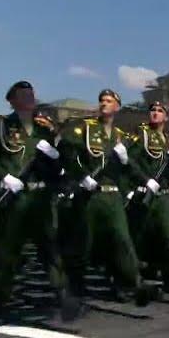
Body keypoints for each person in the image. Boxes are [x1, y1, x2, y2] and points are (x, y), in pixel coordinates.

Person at [57, 89, 154, 320]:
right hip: (91, 195)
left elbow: (129, 166)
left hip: (112, 196)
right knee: (84, 244)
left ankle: (136, 284)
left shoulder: (121, 137)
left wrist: (146, 180)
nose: (103, 104)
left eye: (109, 101)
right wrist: (82, 176)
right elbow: (67, 153)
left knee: (122, 238)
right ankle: (74, 292)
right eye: (101, 100)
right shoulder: (86, 128)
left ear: (117, 106)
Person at [0, 81, 65, 323]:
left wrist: (55, 155)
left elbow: (58, 168)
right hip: (15, 198)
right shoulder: (0, 125)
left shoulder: (44, 129)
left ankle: (65, 297)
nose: (29, 97)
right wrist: (2, 176)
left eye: (31, 94)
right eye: (23, 94)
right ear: (12, 100)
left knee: (51, 249)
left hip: (40, 199)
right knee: (7, 253)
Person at [124, 102, 169, 298]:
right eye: (152, 111)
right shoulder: (141, 136)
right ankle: (130, 279)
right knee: (140, 238)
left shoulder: (168, 141)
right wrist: (143, 182)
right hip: (145, 194)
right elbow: (129, 162)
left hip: (163, 196)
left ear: (166, 117)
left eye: (160, 111)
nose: (155, 114)